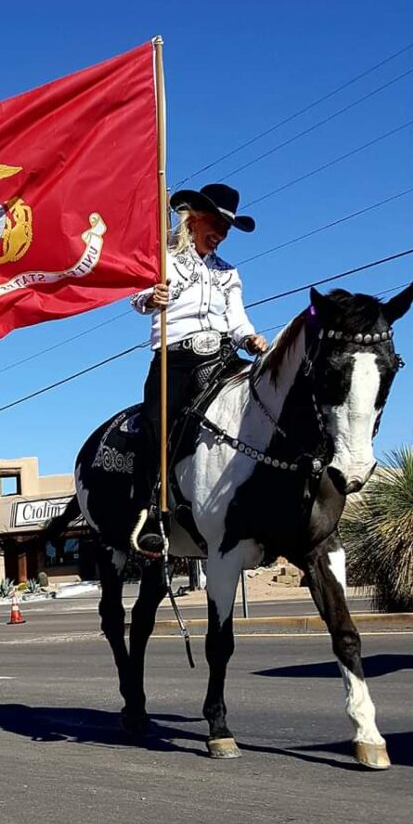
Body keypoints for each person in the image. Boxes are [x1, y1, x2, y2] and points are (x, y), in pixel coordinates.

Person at [129, 183, 267, 556]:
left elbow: (237, 321)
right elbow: (138, 298)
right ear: (194, 218)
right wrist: (149, 297)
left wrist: (251, 338)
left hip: (221, 356)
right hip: (174, 358)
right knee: (157, 425)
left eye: (226, 229)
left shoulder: (228, 273)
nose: (221, 235)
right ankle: (150, 512)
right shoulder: (164, 259)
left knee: (259, 402)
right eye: (216, 224)